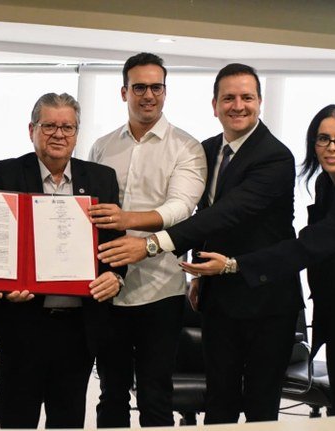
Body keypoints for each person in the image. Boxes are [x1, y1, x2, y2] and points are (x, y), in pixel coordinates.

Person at [96, 63, 304, 424]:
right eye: (228, 98)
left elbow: (224, 214)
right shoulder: (207, 149)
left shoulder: (275, 156)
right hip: (217, 296)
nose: (237, 105)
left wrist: (149, 244)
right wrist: (197, 275)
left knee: (260, 405)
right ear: (214, 105)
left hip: (265, 300)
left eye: (246, 97)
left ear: (260, 102)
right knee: (218, 400)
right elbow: (204, 219)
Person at [181, 104, 335, 415]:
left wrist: (233, 265)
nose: (331, 147)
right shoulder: (327, 184)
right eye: (323, 139)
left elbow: (307, 247)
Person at [0, 93, 126, 429]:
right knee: (18, 419)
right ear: (32, 130)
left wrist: (116, 277)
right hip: (22, 322)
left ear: (77, 133)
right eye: (49, 126)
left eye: (67, 127)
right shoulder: (8, 172)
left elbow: (115, 245)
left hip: (78, 326)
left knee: (68, 419)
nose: (59, 134)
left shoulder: (101, 178)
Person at [86, 52, 207, 427]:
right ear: (124, 92)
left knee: (156, 396)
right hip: (109, 287)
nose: (148, 95)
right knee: (112, 393)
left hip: (161, 290)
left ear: (166, 92)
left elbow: (181, 207)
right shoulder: (102, 146)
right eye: (139, 87)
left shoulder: (187, 147)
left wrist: (128, 219)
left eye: (156, 87)